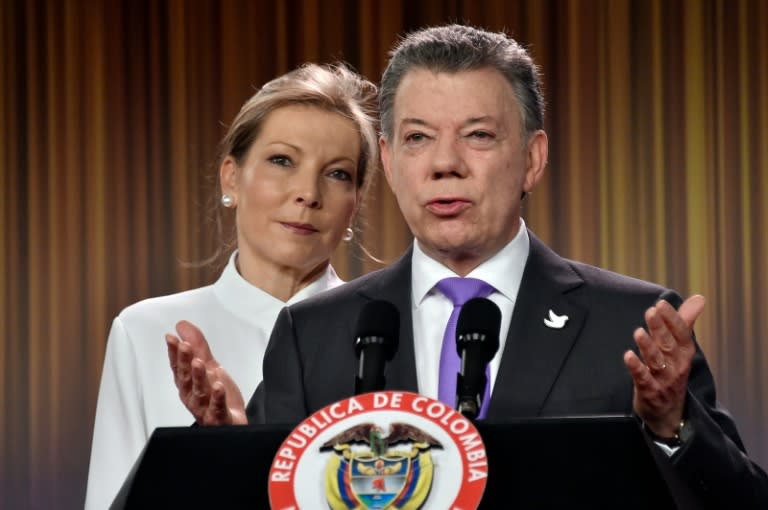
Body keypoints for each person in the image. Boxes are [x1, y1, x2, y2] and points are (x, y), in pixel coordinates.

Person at [169, 25, 768, 507]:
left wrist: (671, 426)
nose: (444, 164)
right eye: (417, 138)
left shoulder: (631, 326)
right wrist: (226, 447)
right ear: (389, 158)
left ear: (532, 159)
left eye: (477, 136)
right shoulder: (312, 333)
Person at [84, 63, 379, 509]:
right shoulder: (144, 331)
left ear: (355, 204)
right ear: (231, 178)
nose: (307, 193)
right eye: (283, 161)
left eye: (337, 173)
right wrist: (218, 449)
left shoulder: (389, 330)